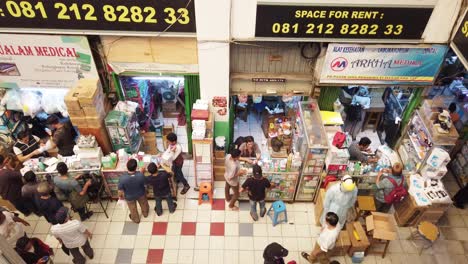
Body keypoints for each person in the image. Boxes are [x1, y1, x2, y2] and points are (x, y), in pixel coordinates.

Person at [118, 159, 149, 223]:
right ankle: (145, 214)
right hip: (141, 194)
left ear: (127, 167)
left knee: (132, 209)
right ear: (136, 167)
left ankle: (136, 219)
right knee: (144, 204)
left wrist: (120, 197)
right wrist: (141, 173)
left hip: (129, 197)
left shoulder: (122, 178)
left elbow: (120, 191)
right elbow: (145, 185)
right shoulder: (140, 175)